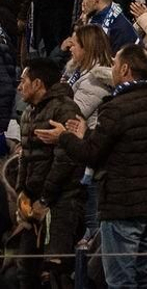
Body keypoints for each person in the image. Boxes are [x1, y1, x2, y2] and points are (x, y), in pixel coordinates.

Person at [39, 45, 147, 289]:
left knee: (120, 282)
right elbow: (122, 146)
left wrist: (63, 137)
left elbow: (91, 155)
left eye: (114, 64)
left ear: (125, 68)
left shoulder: (116, 108)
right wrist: (87, 134)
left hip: (123, 208)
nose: (112, 68)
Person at [13, 57, 86, 289]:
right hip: (33, 205)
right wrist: (22, 193)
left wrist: (44, 199)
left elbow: (66, 160)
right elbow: (25, 158)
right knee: (26, 270)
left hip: (61, 203)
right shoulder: (27, 113)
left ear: (37, 83)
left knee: (55, 273)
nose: (19, 87)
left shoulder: (66, 109)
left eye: (23, 81)